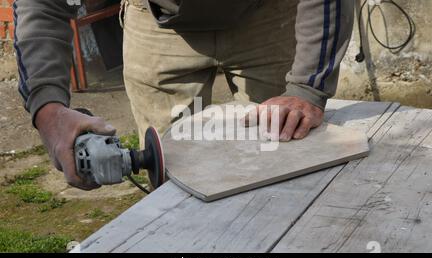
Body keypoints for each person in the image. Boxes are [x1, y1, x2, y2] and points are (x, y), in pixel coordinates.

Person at [13, 0, 354, 190]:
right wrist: (48, 109)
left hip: (268, 16)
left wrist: (307, 87)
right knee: (172, 181)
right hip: (156, 24)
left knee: (285, 170)